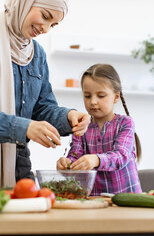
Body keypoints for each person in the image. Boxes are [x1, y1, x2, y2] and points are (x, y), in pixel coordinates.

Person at [0, 0, 91, 189]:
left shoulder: (37, 54)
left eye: (54, 24)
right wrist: (24, 128)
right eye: (45, 16)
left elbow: (43, 108)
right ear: (25, 2)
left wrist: (69, 117)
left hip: (19, 157)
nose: (46, 28)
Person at [56, 64, 142, 196]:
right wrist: (67, 164)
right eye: (87, 96)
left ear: (116, 97)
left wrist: (96, 159)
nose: (93, 102)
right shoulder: (81, 126)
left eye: (101, 95)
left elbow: (121, 156)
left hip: (128, 201)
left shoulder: (125, 123)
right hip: (95, 200)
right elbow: (75, 154)